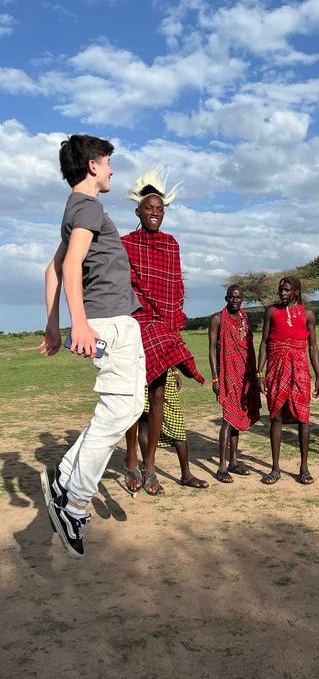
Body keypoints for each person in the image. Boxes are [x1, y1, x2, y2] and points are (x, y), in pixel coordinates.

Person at [39, 134, 145, 558]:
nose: (112, 170)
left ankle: (67, 476)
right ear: (92, 166)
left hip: (107, 320)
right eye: (107, 162)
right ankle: (74, 500)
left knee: (124, 407)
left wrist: (52, 326)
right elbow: (69, 265)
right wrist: (77, 323)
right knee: (121, 409)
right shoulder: (88, 207)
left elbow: (52, 269)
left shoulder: (75, 209)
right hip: (108, 323)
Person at [121, 169, 207, 495]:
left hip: (164, 326)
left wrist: (173, 321)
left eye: (160, 210)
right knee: (132, 397)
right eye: (149, 209)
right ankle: (130, 460)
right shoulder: (126, 244)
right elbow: (118, 286)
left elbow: (175, 286)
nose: (155, 213)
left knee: (157, 395)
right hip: (135, 324)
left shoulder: (171, 245)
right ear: (138, 212)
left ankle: (150, 465)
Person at [257, 276, 319, 485]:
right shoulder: (271, 312)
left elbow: (313, 346)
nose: (282, 293)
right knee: (275, 415)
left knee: (303, 418)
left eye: (286, 290)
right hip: (276, 369)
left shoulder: (308, 314)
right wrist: (259, 373)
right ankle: (275, 469)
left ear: (296, 292)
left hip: (300, 369)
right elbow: (264, 343)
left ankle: (304, 468)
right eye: (280, 290)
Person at [208, 285, 261, 483]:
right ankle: (221, 467)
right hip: (227, 374)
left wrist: (254, 375)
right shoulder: (217, 319)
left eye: (238, 297)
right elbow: (212, 350)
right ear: (226, 298)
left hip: (244, 374)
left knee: (237, 416)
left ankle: (234, 462)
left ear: (242, 299)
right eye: (231, 297)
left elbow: (250, 346)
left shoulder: (245, 318)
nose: (235, 300)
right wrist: (215, 377)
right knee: (228, 418)